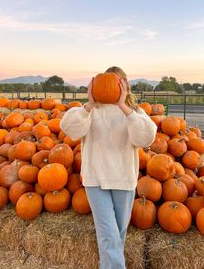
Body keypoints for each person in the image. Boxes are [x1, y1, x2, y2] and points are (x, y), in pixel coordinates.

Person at [60, 66, 157, 269]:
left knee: (118, 234)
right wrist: (89, 103)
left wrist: (123, 106)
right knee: (108, 235)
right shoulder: (90, 111)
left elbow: (146, 138)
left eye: (119, 83)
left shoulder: (134, 113)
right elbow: (70, 129)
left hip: (124, 179)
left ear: (125, 86)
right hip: (96, 179)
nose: (114, 87)